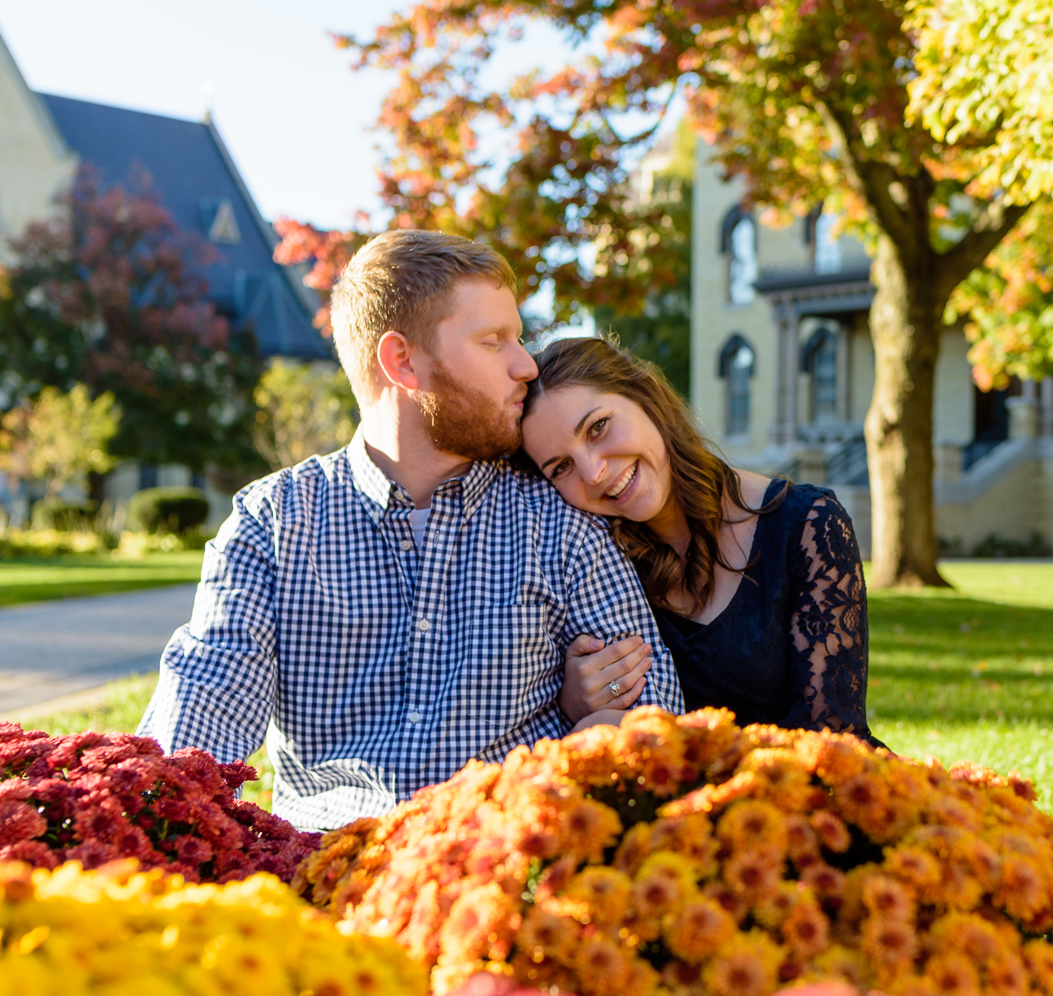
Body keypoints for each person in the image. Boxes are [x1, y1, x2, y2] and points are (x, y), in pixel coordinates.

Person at [138, 232, 682, 829]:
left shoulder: (561, 520)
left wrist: (584, 736)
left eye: (518, 337)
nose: (526, 363)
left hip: (501, 868)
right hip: (325, 874)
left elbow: (655, 730)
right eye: (493, 340)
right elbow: (193, 740)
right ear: (402, 362)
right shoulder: (274, 524)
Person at [517, 336, 874, 742]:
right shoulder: (592, 565)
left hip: (803, 790)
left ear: (647, 397)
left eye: (598, 427)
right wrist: (573, 701)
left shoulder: (809, 527)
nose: (593, 473)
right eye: (561, 467)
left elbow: (833, 742)